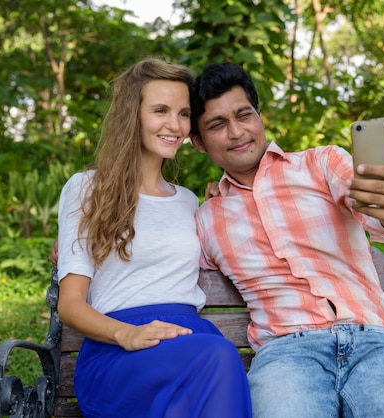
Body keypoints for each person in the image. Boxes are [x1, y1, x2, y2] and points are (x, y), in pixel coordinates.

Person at [189, 62, 384, 417]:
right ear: (197, 142)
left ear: (260, 116)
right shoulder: (206, 219)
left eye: (244, 115)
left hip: (374, 344)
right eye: (217, 124)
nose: (237, 131)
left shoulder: (322, 164)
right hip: (286, 355)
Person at [56, 58, 252, 418]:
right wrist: (127, 335)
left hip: (190, 341)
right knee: (219, 357)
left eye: (183, 113)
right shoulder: (87, 189)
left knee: (210, 362)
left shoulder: (189, 201)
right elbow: (70, 305)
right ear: (133, 116)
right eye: (160, 110)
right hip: (119, 349)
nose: (174, 125)